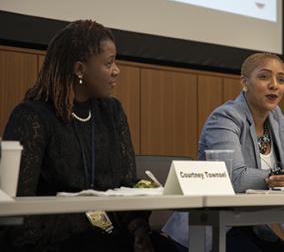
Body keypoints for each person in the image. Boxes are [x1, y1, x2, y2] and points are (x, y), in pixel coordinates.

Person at [0, 20, 175, 252]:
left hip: (111, 232)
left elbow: (127, 185)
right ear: (80, 69)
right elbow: (16, 209)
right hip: (56, 239)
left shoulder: (112, 111)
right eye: (109, 63)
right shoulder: (32, 116)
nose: (117, 70)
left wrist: (139, 230)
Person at [163, 52, 284, 252]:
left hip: (252, 224)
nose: (274, 85)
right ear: (244, 83)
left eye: (281, 79)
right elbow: (233, 178)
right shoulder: (225, 117)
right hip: (213, 227)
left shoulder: (276, 117)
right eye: (264, 76)